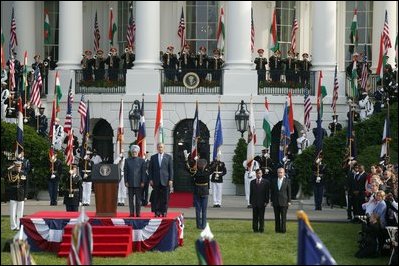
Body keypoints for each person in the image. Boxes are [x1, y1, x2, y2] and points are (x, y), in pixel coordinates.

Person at [185, 157, 215, 229]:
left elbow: (187, 168)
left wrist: (186, 160)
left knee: (198, 210)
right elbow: (213, 168)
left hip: (197, 190)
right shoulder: (207, 172)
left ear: (198, 165)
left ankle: (198, 225)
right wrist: (216, 160)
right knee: (204, 210)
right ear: (205, 165)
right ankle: (203, 225)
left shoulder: (195, 172)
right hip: (204, 191)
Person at [148, 143, 174, 217]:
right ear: (157, 148)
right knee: (156, 197)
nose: (160, 148)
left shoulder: (168, 157)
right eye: (159, 147)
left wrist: (171, 179)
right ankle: (157, 212)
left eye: (161, 147)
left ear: (164, 148)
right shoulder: (153, 157)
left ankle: (164, 211)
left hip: (165, 181)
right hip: (156, 180)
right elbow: (150, 170)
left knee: (165, 197)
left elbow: (171, 169)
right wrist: (150, 179)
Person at [124, 145, 146, 217]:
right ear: (131, 152)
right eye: (133, 152)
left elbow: (143, 172)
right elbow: (126, 172)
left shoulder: (142, 161)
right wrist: (126, 181)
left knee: (138, 200)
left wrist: (143, 181)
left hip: (139, 183)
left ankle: (138, 213)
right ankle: (131, 213)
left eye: (135, 152)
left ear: (138, 152)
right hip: (130, 183)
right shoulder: (127, 160)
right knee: (130, 200)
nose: (134, 153)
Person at [7, 160, 27, 230]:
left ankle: (19, 225)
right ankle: (13, 226)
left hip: (21, 193)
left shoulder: (23, 173)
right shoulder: (11, 173)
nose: (18, 168)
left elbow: (26, 185)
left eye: (19, 166)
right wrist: (9, 169)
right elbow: (8, 180)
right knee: (12, 211)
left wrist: (25, 195)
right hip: (13, 193)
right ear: (15, 166)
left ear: (21, 166)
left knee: (20, 211)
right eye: (17, 166)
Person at [271, 167, 291, 233]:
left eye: (281, 172)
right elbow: (272, 192)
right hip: (275, 201)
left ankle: (283, 230)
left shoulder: (287, 181)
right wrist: (271, 201)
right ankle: (277, 230)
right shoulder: (274, 180)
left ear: (284, 173)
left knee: (283, 217)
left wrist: (289, 201)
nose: (280, 174)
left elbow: (289, 192)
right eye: (279, 172)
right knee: (277, 217)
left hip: (284, 202)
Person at [250, 169, 270, 233]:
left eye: (260, 173)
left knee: (261, 217)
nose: (258, 174)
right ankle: (255, 229)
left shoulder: (266, 182)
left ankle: (261, 229)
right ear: (255, 174)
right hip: (254, 202)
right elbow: (251, 192)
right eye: (257, 173)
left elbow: (267, 193)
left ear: (262, 174)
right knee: (255, 216)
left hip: (262, 202)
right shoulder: (252, 182)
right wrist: (251, 201)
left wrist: (266, 201)